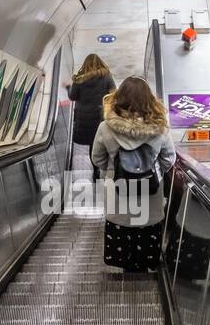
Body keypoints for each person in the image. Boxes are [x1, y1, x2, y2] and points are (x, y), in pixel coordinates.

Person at [89, 76, 177, 273]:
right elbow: (169, 159)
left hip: (118, 195)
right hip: (150, 193)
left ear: (119, 98)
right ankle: (143, 271)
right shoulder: (160, 127)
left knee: (122, 235)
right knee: (146, 237)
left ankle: (126, 272)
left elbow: (97, 159)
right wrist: (153, 173)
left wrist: (112, 172)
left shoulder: (105, 127)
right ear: (150, 100)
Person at [68, 54, 116, 179]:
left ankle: (95, 169)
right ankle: (101, 168)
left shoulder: (79, 79)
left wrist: (69, 87)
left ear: (85, 65)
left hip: (83, 119)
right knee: (101, 141)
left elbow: (72, 96)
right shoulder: (107, 76)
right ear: (101, 63)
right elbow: (113, 95)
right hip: (100, 117)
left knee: (91, 143)